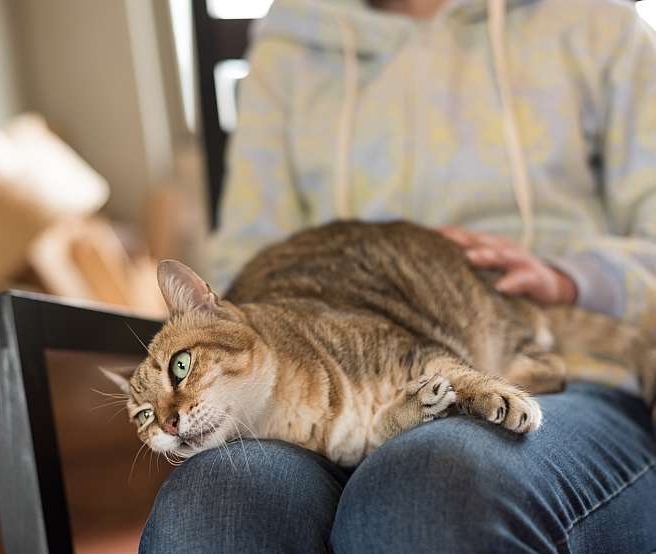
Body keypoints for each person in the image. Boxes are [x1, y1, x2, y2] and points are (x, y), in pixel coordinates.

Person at [140, 0, 656, 551]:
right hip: (304, 395)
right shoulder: (292, 38)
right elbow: (238, 266)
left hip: (574, 369)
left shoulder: (595, 20)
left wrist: (573, 278)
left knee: (426, 490)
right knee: (209, 510)